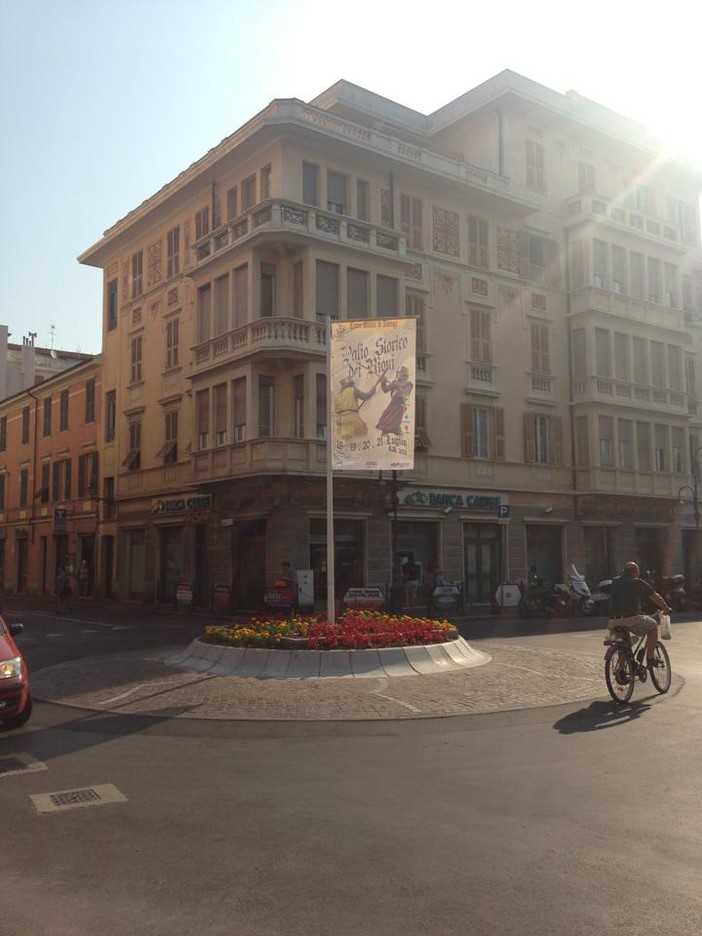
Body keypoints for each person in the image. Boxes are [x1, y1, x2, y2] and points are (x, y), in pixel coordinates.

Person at [608, 561, 671, 666]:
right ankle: (650, 658)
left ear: (624, 571)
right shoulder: (637, 582)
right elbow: (656, 597)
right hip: (631, 619)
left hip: (613, 621)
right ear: (635, 572)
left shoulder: (615, 581)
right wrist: (666, 608)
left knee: (623, 644)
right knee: (653, 626)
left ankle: (621, 669)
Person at [376, 366, 413, 437]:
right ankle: (385, 434)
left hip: (400, 406)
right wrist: (383, 382)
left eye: (402, 373)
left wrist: (398, 388)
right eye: (399, 372)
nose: (400, 374)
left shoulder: (408, 384)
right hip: (392, 404)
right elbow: (385, 390)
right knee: (385, 420)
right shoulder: (395, 382)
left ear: (405, 374)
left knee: (394, 423)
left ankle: (396, 433)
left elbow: (405, 397)